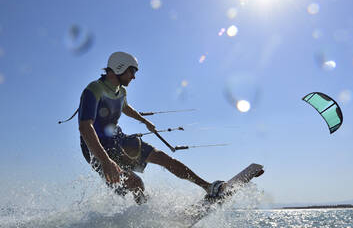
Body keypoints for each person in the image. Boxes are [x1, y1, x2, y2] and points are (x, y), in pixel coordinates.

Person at [78, 51, 263, 204]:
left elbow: (125, 107)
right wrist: (105, 161)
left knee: (163, 157)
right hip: (95, 148)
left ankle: (209, 187)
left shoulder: (121, 91)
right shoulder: (93, 90)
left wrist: (144, 121)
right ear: (119, 68)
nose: (134, 76)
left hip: (117, 139)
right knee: (136, 183)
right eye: (131, 71)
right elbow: (85, 128)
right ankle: (144, 215)